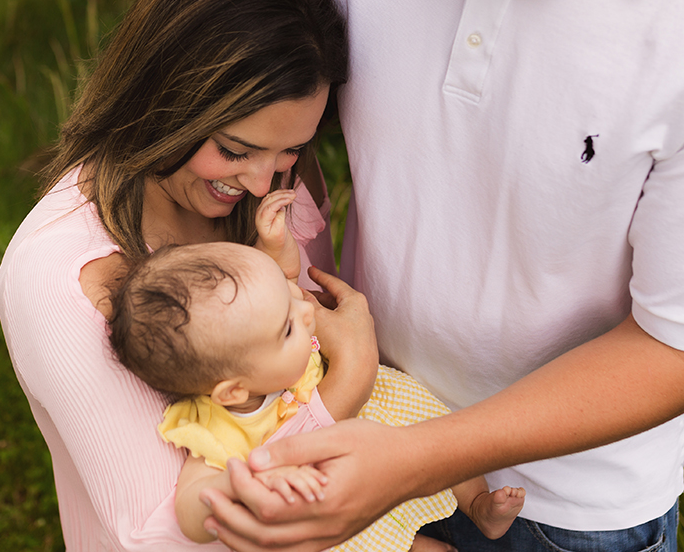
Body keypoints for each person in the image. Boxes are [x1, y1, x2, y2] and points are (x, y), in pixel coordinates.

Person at [200, 0, 684, 550]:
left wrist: (415, 460)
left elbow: (671, 345)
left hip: (561, 511)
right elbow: (282, 117)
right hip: (347, 421)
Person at [0, 0, 363, 551]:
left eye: (292, 149)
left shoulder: (279, 186)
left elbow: (300, 347)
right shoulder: (60, 277)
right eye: (235, 150)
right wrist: (346, 388)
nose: (261, 183)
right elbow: (163, 539)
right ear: (161, 98)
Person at [108, 190, 526, 549]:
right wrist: (232, 485)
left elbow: (284, 278)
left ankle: (476, 505)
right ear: (232, 391)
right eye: (288, 326)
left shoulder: (258, 321)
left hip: (390, 417)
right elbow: (190, 509)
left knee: (441, 438)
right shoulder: (221, 427)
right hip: (345, 497)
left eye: (290, 298)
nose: (307, 314)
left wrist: (274, 247)